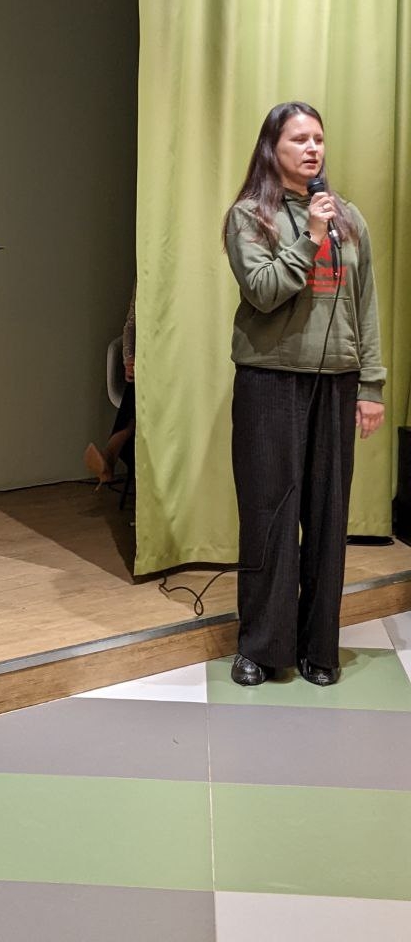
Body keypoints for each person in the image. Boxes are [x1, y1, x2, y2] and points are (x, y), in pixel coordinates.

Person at [223, 102, 385, 688]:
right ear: (273, 149)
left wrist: (371, 383)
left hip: (336, 382)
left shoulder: (349, 218)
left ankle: (319, 646)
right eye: (299, 139)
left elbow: (365, 303)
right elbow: (264, 290)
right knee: (270, 517)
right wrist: (310, 237)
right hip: (270, 382)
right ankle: (262, 648)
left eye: (319, 138)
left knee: (326, 517)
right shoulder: (250, 216)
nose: (313, 148)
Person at [84, 283, 136, 486]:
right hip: (147, 366)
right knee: (143, 385)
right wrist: (129, 359)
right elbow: (131, 323)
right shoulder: (145, 276)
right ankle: (114, 449)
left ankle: (113, 449)